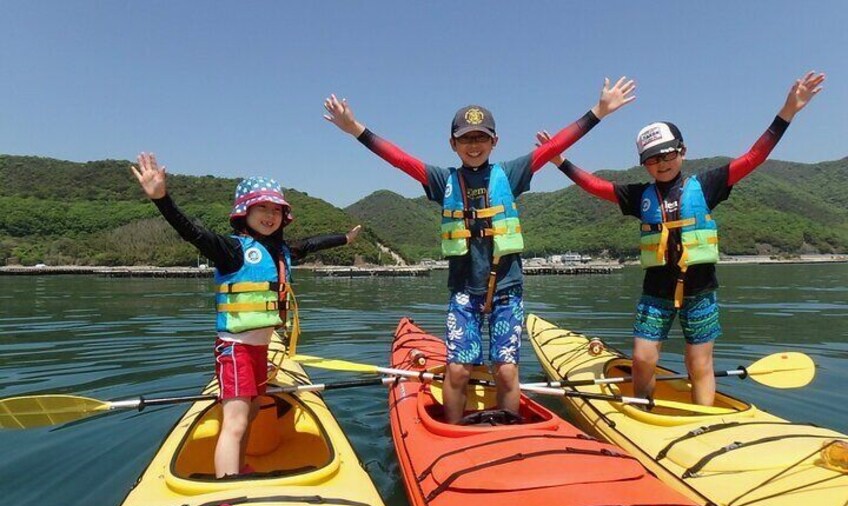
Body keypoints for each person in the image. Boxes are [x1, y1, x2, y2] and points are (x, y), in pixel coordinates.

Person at [324, 78, 636, 424]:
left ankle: (510, 428)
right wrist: (355, 128)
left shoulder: (511, 173)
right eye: (466, 139)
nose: (474, 145)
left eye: (481, 138)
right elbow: (399, 159)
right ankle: (452, 430)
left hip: (507, 289)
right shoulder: (442, 180)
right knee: (458, 370)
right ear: (453, 144)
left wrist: (599, 111)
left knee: (506, 370)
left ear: (494, 141)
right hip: (464, 291)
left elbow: (553, 147)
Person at [536, 71, 825, 406]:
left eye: (668, 154)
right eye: (652, 158)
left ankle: (705, 419)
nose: (662, 163)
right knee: (643, 358)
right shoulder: (639, 196)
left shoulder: (707, 185)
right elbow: (595, 186)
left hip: (700, 291)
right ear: (644, 164)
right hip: (655, 292)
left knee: (698, 363)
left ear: (682, 151)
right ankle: (643, 408)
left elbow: (753, 157)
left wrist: (788, 111)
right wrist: (560, 161)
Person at [132, 153, 361, 477]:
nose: (270, 215)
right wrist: (161, 199)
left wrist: (345, 239)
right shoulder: (232, 250)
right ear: (245, 212)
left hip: (258, 349)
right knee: (236, 421)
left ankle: (239, 468)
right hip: (236, 349)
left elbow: (311, 244)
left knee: (252, 411)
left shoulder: (281, 251)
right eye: (262, 208)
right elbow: (193, 233)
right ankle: (229, 489)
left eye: (276, 210)